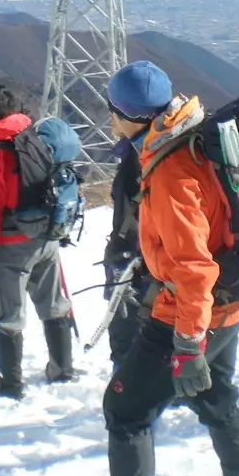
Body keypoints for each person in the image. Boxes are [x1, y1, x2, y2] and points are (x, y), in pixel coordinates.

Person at [74, 61, 239, 476]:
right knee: (215, 392)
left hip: (187, 312)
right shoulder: (194, 137)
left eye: (112, 111)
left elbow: (194, 268)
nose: (109, 120)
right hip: (229, 303)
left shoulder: (170, 173)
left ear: (128, 115)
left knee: (125, 409)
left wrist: (186, 344)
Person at [0, 84, 75, 400]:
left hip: (12, 246)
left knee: (8, 316)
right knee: (54, 305)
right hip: (47, 240)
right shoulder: (37, 140)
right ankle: (62, 370)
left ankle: (11, 384)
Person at [103, 139, 146, 367]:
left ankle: (124, 384)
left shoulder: (140, 156)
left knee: (126, 327)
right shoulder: (144, 150)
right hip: (137, 251)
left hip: (131, 254)